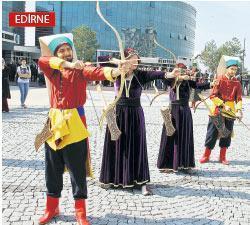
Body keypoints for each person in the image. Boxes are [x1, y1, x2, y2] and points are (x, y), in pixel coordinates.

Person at [37, 33, 127, 225]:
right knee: (51, 168)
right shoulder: (52, 69)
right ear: (57, 53)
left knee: (77, 169)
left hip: (75, 123)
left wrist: (116, 72)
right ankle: (51, 208)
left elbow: (96, 72)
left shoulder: (81, 69)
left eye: (68, 49)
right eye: (62, 50)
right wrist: (68, 64)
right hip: (53, 123)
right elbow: (42, 60)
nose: (66, 53)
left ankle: (80, 212)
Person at [99, 48, 168, 196]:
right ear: (125, 59)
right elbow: (101, 60)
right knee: (117, 143)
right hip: (118, 112)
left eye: (137, 59)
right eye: (133, 59)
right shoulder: (116, 72)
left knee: (137, 145)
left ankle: (141, 181)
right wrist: (119, 62)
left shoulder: (141, 75)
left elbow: (158, 74)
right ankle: (113, 178)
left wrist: (169, 74)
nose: (136, 62)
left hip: (135, 113)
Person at [157, 63, 211, 173]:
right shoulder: (171, 80)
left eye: (183, 70)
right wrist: (179, 77)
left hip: (185, 111)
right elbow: (165, 79)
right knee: (171, 135)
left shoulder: (188, 81)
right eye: (179, 70)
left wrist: (212, 84)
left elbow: (198, 86)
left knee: (185, 136)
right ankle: (168, 164)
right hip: (173, 111)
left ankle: (185, 164)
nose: (182, 72)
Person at [199, 56, 243, 165]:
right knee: (212, 133)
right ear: (227, 69)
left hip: (230, 112)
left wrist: (239, 110)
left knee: (226, 134)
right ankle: (206, 155)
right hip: (217, 110)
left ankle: (222, 156)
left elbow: (238, 99)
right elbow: (213, 96)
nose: (233, 71)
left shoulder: (237, 83)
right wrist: (223, 105)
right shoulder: (219, 79)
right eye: (231, 69)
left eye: (235, 69)